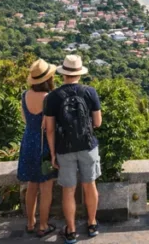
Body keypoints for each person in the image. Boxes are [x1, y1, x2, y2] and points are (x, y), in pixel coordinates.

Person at [44, 55, 102, 244]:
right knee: (89, 184)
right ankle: (92, 224)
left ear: (63, 74)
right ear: (79, 73)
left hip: (64, 148)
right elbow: (98, 122)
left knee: (68, 191)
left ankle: (71, 230)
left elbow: (50, 129)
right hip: (87, 146)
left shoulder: (52, 97)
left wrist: (53, 154)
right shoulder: (90, 92)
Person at [17, 59, 58, 238]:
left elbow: (25, 119)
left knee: (31, 185)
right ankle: (43, 225)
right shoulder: (49, 98)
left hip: (28, 141)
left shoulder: (25, 95)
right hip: (44, 143)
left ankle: (30, 222)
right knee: (46, 187)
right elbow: (50, 126)